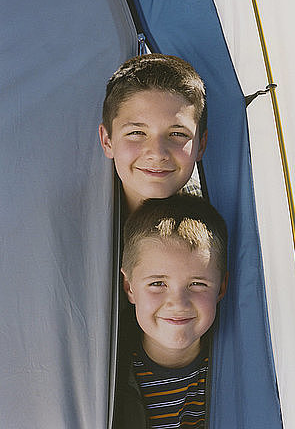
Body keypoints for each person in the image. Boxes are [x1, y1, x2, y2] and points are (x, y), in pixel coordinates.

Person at [113, 194, 228, 428]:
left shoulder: (235, 366)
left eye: (197, 284)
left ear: (221, 288)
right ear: (129, 287)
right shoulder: (110, 372)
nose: (178, 302)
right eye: (157, 284)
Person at [99, 54, 208, 212]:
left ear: (200, 146)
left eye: (177, 134)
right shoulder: (67, 220)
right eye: (137, 132)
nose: (157, 154)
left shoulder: (219, 218)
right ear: (107, 141)